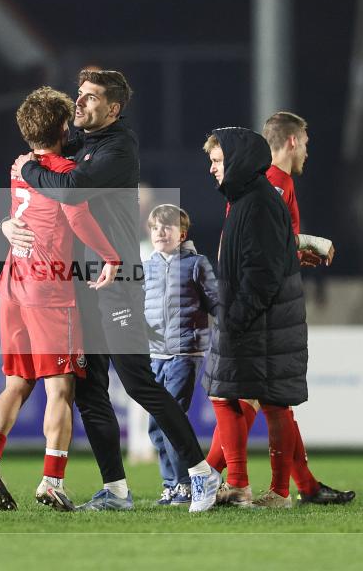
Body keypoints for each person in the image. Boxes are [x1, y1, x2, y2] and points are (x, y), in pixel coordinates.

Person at [6, 69, 220, 512]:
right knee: (89, 390)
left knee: (138, 381)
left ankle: (202, 475)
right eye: (79, 95)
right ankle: (116, 490)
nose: (79, 102)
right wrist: (7, 222)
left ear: (114, 108)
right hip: (84, 283)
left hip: (118, 283)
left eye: (90, 97)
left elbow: (69, 190)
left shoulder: (120, 148)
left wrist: (26, 168)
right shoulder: (82, 145)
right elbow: (41, 185)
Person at [0, 87, 120, 512]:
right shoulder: (62, 171)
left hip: (11, 284)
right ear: (62, 127)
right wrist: (112, 255)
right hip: (49, 289)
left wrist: (3, 224)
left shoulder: (20, 164)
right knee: (61, 388)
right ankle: (52, 481)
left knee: (16, 383)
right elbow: (77, 215)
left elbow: (18, 212)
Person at [201, 127, 308, 509]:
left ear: (237, 160)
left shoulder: (257, 203)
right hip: (262, 317)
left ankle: (254, 488)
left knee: (234, 396)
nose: (212, 169)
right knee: (259, 399)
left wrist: (235, 316)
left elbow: (261, 274)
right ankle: (254, 487)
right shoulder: (249, 197)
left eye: (217, 161)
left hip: (259, 319)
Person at [142, 204, 218, 506]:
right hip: (154, 356)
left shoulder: (196, 264)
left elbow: (216, 300)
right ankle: (171, 484)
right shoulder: (147, 265)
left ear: (181, 233)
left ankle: (186, 483)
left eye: (167, 227)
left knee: (171, 417)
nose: (160, 232)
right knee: (155, 424)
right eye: (155, 227)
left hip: (185, 353)